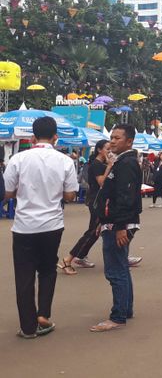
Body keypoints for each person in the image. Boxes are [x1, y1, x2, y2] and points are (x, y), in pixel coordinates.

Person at [3, 117, 78, 338]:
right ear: (55, 137)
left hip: (24, 226)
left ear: (33, 137)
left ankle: (28, 328)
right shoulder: (64, 161)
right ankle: (43, 315)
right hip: (52, 225)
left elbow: (6, 193)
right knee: (47, 270)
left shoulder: (18, 159)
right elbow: (70, 195)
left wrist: (22, 192)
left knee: (24, 276)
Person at [90, 124, 142, 332]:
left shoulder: (127, 163)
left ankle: (118, 316)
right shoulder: (121, 162)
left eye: (117, 138)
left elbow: (125, 197)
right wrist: (101, 222)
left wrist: (120, 226)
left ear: (128, 141)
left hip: (120, 224)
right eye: (111, 137)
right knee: (120, 267)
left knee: (115, 270)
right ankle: (125, 309)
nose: (112, 141)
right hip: (113, 222)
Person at [59, 140, 110, 273]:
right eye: (107, 149)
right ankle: (68, 259)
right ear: (99, 150)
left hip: (99, 201)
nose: (110, 152)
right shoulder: (97, 165)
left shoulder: (101, 164)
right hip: (97, 202)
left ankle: (79, 256)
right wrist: (110, 165)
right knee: (93, 231)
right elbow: (101, 183)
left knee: (95, 232)